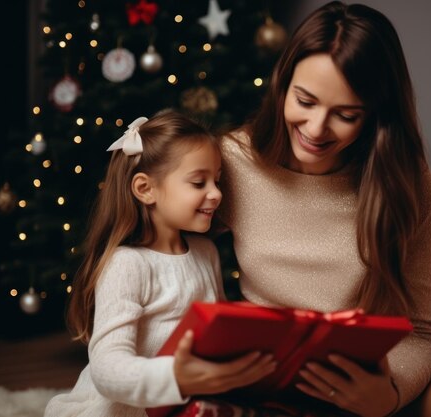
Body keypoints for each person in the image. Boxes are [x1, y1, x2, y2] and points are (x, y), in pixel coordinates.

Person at [215, 2, 431, 417]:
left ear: (374, 115)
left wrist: (388, 395)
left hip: (382, 376)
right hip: (272, 378)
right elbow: (164, 255)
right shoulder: (232, 161)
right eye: (305, 100)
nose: (317, 129)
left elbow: (420, 330)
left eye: (346, 115)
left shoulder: (406, 180)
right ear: (283, 85)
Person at [44, 109, 277, 417]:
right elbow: (107, 369)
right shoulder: (127, 264)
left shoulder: (205, 253)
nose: (217, 193)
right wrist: (175, 377)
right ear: (145, 189)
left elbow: (215, 333)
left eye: (217, 180)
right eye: (199, 182)